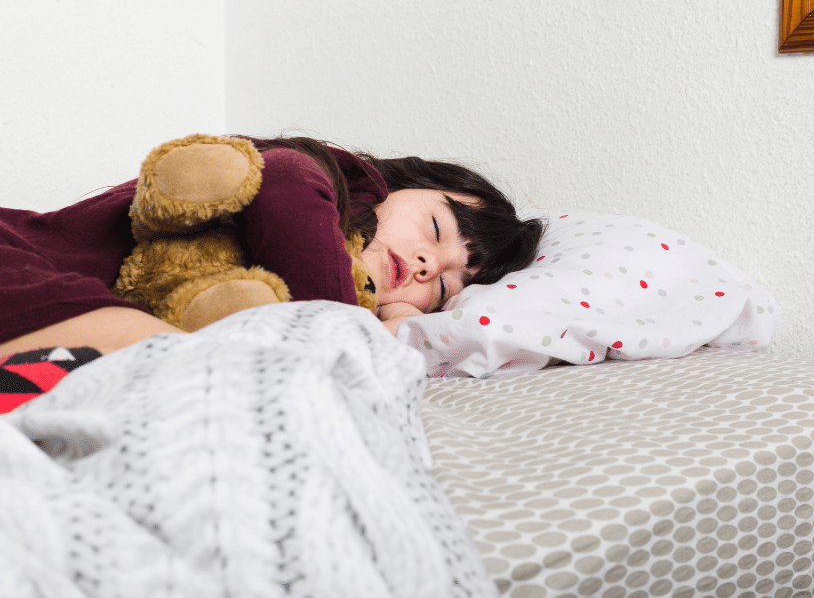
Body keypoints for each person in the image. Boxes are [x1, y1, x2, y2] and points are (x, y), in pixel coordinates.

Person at [0, 135, 544, 361]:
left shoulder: (339, 295)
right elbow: (284, 183)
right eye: (436, 228)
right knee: (189, 366)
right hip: (21, 261)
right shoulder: (336, 178)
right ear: (399, 184)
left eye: (444, 285)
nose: (427, 264)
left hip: (64, 306)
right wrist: (354, 331)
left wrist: (398, 322)